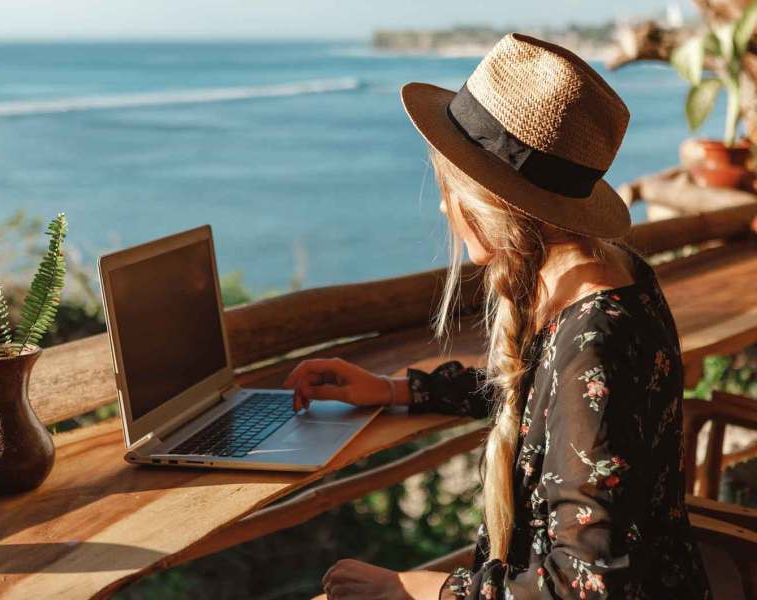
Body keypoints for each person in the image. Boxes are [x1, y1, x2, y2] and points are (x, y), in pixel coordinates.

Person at [283, 33, 713, 600]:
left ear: (492, 201)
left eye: (451, 188)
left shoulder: (594, 339)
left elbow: (585, 585)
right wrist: (393, 390)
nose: (444, 205)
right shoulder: (608, 273)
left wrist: (416, 589)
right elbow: (546, 407)